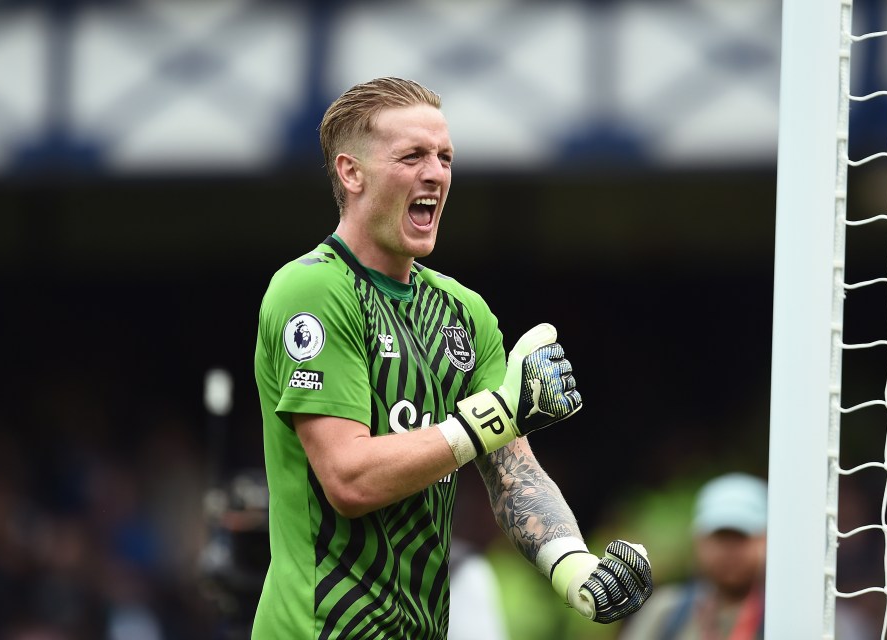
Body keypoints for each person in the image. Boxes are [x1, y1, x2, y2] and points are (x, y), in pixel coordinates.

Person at [250, 76, 653, 639]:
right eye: (412, 155)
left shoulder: (465, 313)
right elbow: (348, 480)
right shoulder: (312, 289)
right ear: (351, 172)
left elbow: (515, 473)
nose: (436, 173)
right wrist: (496, 415)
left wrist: (575, 570)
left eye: (444, 157)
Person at [618, 472, 767, 640]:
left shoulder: (783, 616)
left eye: (741, 538)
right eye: (721, 538)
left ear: (765, 541)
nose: (730, 551)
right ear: (699, 541)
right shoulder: (666, 611)